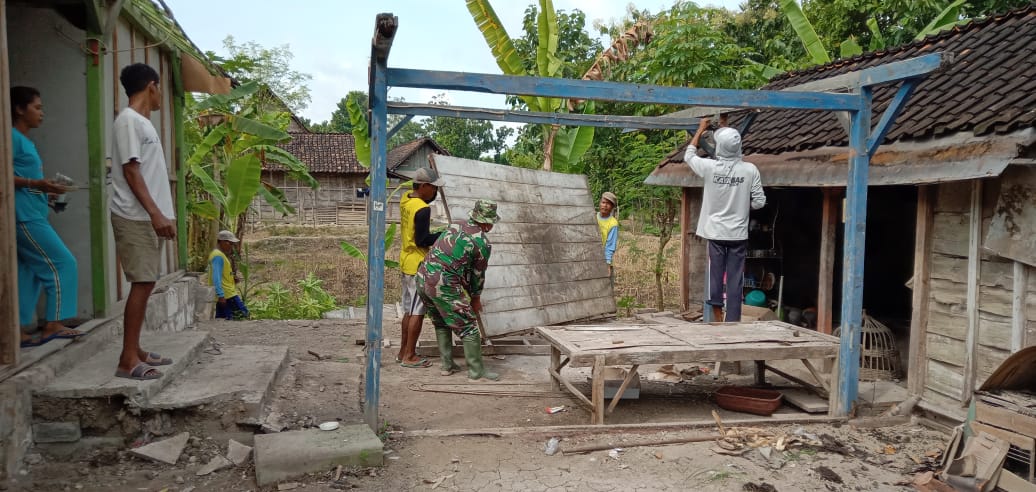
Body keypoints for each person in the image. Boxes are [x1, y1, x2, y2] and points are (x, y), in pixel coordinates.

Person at [109, 63, 176, 380]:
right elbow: (131, 172)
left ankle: (135, 350)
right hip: (135, 215)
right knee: (143, 282)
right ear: (152, 86)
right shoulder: (128, 122)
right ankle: (127, 360)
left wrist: (164, 214)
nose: (160, 94)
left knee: (147, 281)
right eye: (160, 88)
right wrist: (155, 213)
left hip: (149, 217)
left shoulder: (141, 124)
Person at [10, 86, 83, 348]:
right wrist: (36, 182)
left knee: (28, 271)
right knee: (63, 263)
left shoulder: (24, 141)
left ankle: (15, 331)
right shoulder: (10, 137)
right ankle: (53, 323)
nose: (42, 113)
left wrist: (45, 191)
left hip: (32, 210)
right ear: (19, 109)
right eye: (37, 107)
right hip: (25, 217)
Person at [684, 117, 766, 322]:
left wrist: (702, 128)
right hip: (738, 234)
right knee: (735, 279)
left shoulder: (710, 168)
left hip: (716, 232)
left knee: (715, 276)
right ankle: (733, 321)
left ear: (719, 147)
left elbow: (689, 155)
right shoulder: (750, 170)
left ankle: (717, 317)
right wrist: (741, 205)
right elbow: (759, 202)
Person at [417, 199, 500, 380]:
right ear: (488, 223)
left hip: (422, 277)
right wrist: (475, 299)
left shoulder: (456, 225)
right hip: (443, 284)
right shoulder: (482, 244)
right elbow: (477, 276)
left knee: (440, 322)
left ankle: (447, 366)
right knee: (469, 327)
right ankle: (476, 372)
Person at [396, 167, 445, 368]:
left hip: (405, 260)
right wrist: (444, 233)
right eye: (433, 189)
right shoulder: (422, 209)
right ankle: (410, 356)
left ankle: (402, 352)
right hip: (417, 263)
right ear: (424, 186)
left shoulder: (406, 200)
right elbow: (423, 239)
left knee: (408, 310)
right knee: (418, 312)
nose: (435, 193)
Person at [208, 230, 249, 320]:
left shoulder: (219, 255)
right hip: (227, 294)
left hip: (225, 293)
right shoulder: (218, 256)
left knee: (224, 319)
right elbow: (216, 277)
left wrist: (232, 278)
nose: (231, 246)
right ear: (222, 242)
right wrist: (221, 295)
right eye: (229, 243)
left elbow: (221, 274)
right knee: (243, 315)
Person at [597, 191, 619, 273]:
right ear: (600, 203)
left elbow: (610, 246)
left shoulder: (613, 223)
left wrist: (607, 263)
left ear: (612, 207)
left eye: (608, 204)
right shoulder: (593, 217)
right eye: (603, 202)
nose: (605, 206)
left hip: (603, 259)